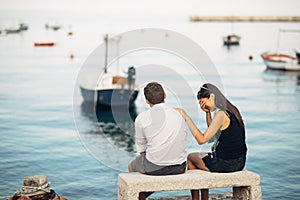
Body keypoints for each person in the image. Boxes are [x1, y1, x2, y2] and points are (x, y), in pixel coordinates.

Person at [175, 83, 247, 200]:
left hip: (226, 164)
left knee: (191, 158)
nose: (203, 105)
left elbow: (202, 139)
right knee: (202, 157)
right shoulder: (231, 110)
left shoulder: (221, 114)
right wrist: (207, 113)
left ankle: (198, 199)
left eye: (204, 102)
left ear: (212, 97)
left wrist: (187, 118)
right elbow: (213, 134)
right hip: (239, 162)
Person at [128, 82, 187, 200]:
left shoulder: (142, 118)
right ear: (165, 95)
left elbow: (141, 148)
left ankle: (140, 196)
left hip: (155, 167)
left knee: (132, 166)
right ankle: (142, 196)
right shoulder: (178, 115)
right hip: (179, 167)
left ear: (146, 100)